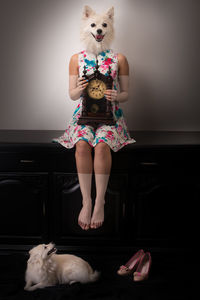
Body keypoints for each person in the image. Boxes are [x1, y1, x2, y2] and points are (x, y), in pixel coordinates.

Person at [54, 6, 135, 230]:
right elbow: (71, 95)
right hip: (83, 116)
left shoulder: (120, 59)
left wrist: (118, 95)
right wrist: (78, 89)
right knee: (82, 144)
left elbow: (127, 94)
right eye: (93, 25)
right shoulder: (75, 59)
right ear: (86, 27)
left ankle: (100, 201)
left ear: (109, 28)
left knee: (101, 146)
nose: (98, 29)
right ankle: (86, 201)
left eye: (103, 25)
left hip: (112, 116)